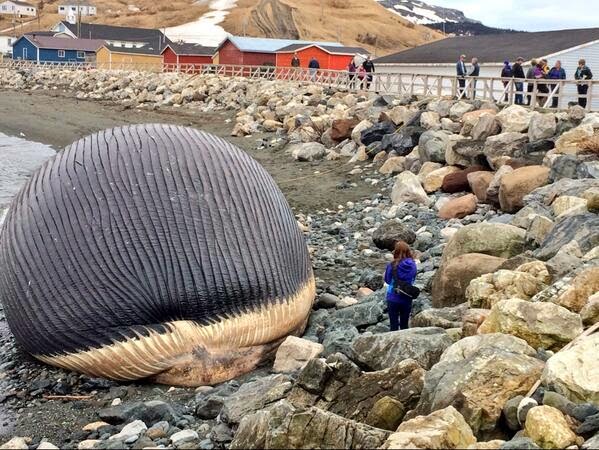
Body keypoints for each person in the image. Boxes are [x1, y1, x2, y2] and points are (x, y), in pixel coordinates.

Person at [384, 241, 417, 331]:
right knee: (404, 324)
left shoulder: (392, 265)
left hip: (392, 296)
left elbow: (387, 280)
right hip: (406, 296)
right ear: (408, 251)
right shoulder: (413, 265)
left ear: (396, 251)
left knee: (393, 325)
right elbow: (413, 278)